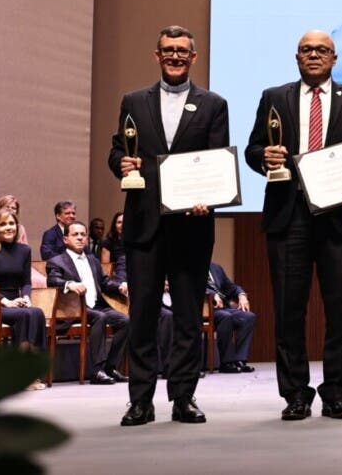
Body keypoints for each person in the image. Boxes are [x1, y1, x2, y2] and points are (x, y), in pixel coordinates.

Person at [245, 29, 342, 421]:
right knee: (289, 311)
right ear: (297, 56)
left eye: (322, 50)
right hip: (289, 217)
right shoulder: (274, 97)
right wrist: (263, 156)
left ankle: (337, 393)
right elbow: (255, 148)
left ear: (335, 58)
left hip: (339, 216)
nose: (314, 55)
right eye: (307, 50)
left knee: (341, 312)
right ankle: (296, 395)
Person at [108, 25, 229, 426]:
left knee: (188, 318)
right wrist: (119, 164)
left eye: (182, 51)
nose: (175, 56)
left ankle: (183, 397)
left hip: (192, 227)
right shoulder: (133, 101)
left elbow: (216, 162)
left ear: (194, 57)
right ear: (156, 56)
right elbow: (116, 150)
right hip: (144, 226)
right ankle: (140, 400)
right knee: (142, 314)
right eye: (167, 50)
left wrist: (207, 197)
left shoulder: (213, 104)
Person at [46, 221, 130, 385]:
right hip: (73, 309)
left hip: (97, 305)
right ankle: (96, 370)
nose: (79, 238)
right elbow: (52, 280)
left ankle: (110, 367)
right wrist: (69, 284)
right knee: (100, 317)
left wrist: (119, 286)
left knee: (126, 321)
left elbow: (104, 283)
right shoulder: (57, 261)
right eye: (75, 234)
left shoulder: (93, 260)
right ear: (65, 239)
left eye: (83, 235)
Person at [0, 208, 47, 389]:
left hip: (16, 302)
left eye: (11, 223)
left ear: (17, 226)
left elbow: (25, 281)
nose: (8, 227)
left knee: (36, 312)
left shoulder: (24, 250)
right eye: (3, 224)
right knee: (26, 315)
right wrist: (6, 301)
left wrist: (26, 297)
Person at [206, 262, 256, 374]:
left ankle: (240, 360)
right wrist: (212, 294)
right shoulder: (190, 267)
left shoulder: (215, 268)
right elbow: (191, 287)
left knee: (248, 317)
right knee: (226, 317)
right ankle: (226, 363)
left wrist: (241, 295)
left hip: (223, 307)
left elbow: (232, 287)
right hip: (206, 309)